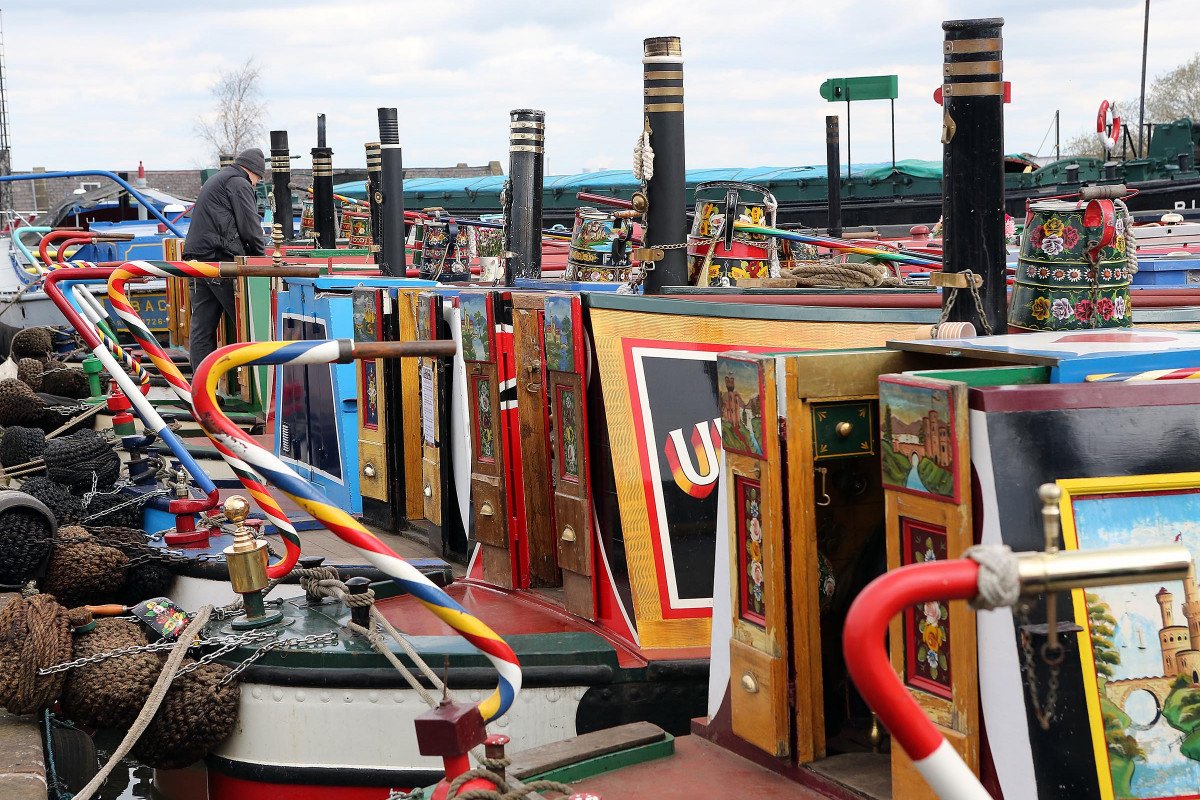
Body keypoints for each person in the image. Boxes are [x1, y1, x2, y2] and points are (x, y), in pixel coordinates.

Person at [183, 147, 268, 371]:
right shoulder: (239, 182)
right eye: (258, 179)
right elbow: (250, 226)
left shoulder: (219, 179)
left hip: (198, 260)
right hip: (219, 260)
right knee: (247, 320)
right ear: (253, 171)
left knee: (202, 327)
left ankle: (202, 389)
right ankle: (257, 380)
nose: (256, 184)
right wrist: (262, 260)